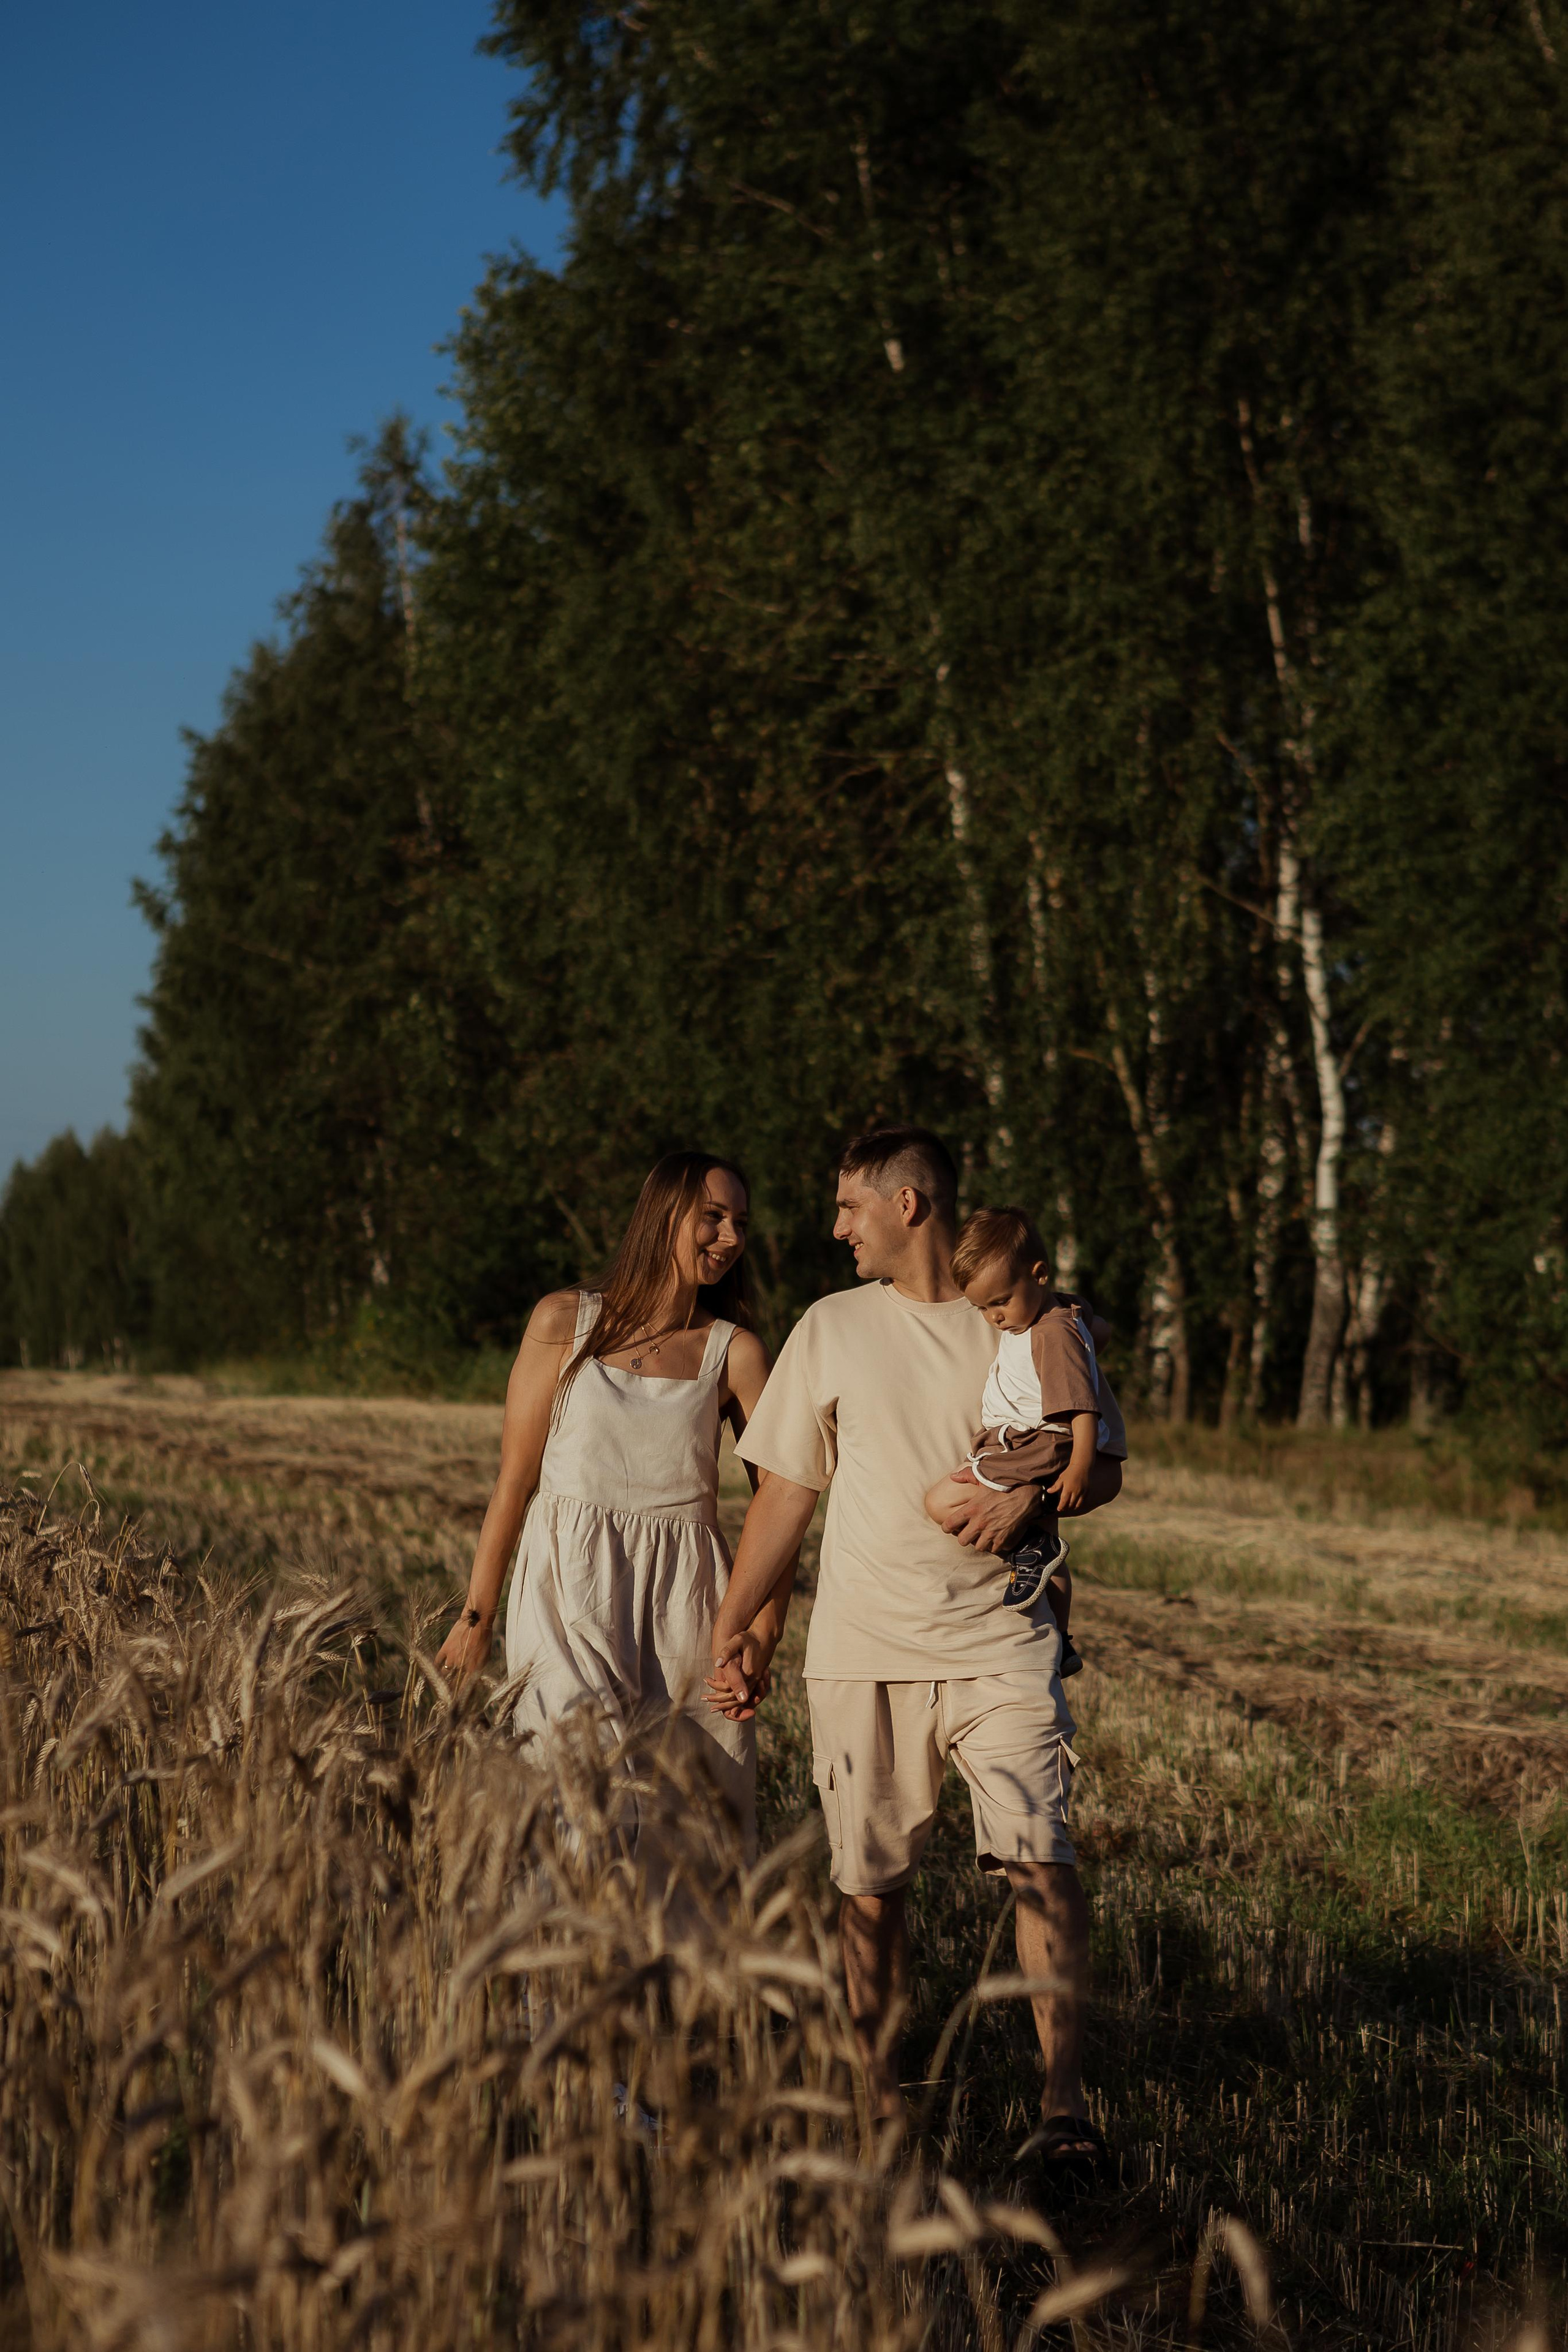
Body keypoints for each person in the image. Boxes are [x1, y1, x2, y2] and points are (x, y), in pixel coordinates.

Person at [707, 1126, 1119, 2176]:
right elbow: (785, 1496)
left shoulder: (1023, 1322)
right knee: (871, 1890)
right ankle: (878, 2106)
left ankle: (1065, 2115)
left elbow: (1101, 1462)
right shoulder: (831, 1328)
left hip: (1003, 1642)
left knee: (1043, 1860)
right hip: (866, 1646)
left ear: (909, 1206)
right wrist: (740, 1632)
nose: (837, 1228)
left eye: (851, 1208)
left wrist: (1031, 1494)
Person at [437, 1150, 785, 1868]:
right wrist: (476, 1616)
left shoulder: (736, 1354)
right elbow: (514, 1479)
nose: (729, 1238)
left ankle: (669, 1980)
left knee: (683, 1820)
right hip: (567, 1586)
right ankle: (562, 1977)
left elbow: (780, 1503)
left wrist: (763, 1631)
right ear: (663, 1216)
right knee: (579, 1790)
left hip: (684, 1601)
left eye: (739, 1223)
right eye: (712, 1217)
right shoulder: (563, 1321)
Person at [922, 1206, 1128, 1672]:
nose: (993, 1317)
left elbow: (1080, 1406)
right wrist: (1095, 1337)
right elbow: (1096, 1325)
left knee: (941, 1502)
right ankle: (1061, 1640)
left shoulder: (1051, 1332)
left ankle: (1032, 1556)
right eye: (982, 1308)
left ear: (1039, 1275)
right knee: (1044, 1540)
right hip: (1038, 1441)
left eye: (1000, 1301)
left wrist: (1078, 1465)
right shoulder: (1053, 1312)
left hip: (1041, 1443)